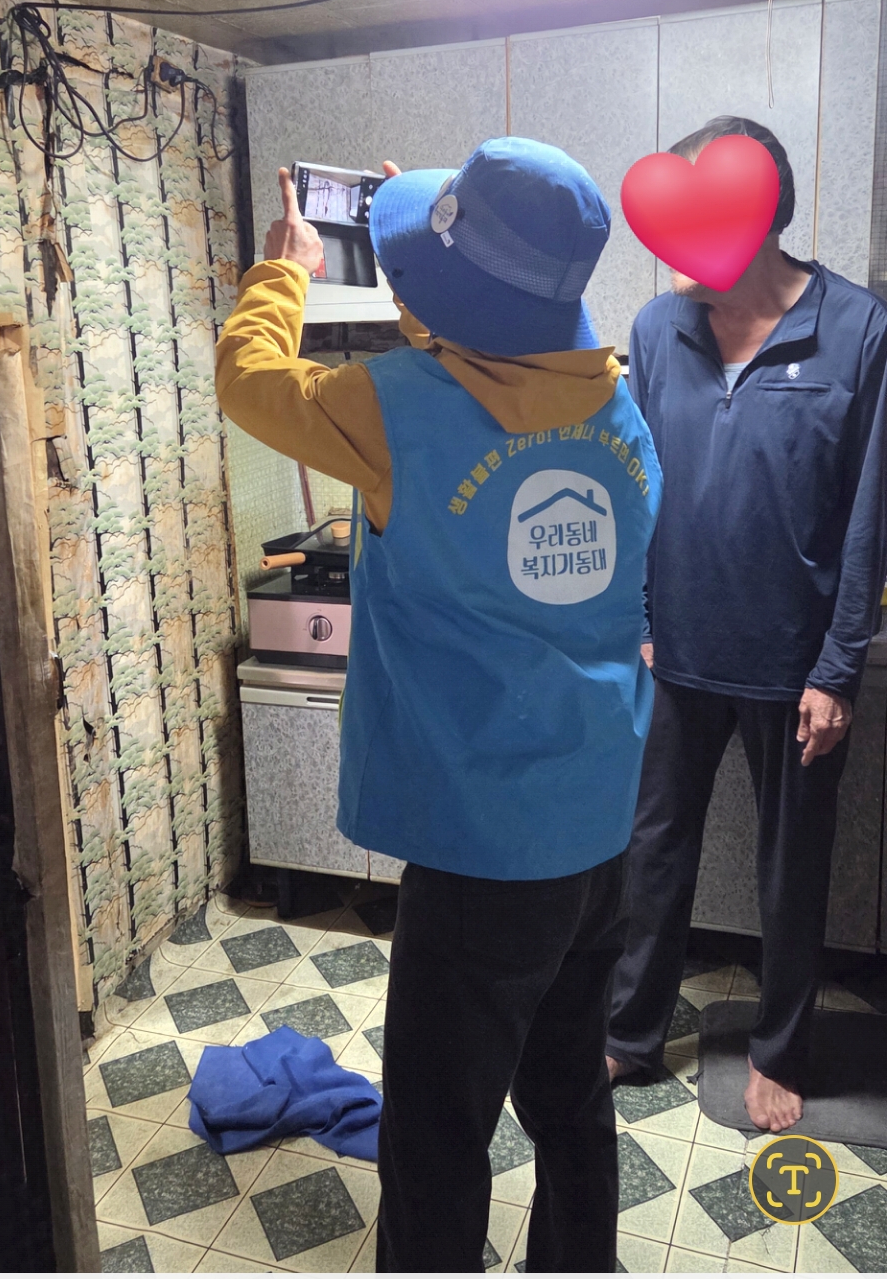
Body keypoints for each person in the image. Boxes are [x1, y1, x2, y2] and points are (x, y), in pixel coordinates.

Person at [216, 138, 662, 1273]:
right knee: (568, 1089)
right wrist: (454, 274)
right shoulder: (616, 402)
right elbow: (484, 378)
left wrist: (286, 269)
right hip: (595, 820)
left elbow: (247, 378)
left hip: (480, 845)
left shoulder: (391, 407)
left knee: (434, 1132)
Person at [606, 114, 887, 1134]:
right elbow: (635, 483)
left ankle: (779, 1051)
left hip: (793, 664)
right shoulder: (656, 329)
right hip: (675, 652)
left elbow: (869, 514)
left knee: (790, 869)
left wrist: (837, 667)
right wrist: (639, 616)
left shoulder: (858, 329)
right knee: (652, 852)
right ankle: (630, 1032)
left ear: (760, 217)